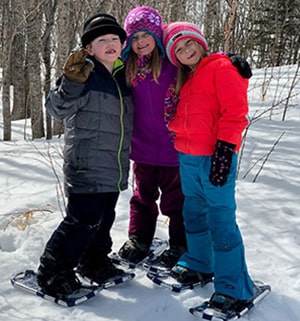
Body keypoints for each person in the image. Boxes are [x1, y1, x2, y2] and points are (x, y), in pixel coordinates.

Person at [36, 13, 134, 297]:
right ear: (89, 48)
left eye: (115, 38)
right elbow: (56, 109)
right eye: (102, 40)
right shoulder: (82, 74)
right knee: (82, 221)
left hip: (113, 166)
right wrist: (70, 81)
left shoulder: (122, 76)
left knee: (104, 218)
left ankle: (93, 261)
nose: (110, 44)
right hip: (86, 164)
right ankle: (53, 271)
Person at [162, 22, 255, 311]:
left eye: (188, 42)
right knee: (193, 211)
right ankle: (200, 262)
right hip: (188, 157)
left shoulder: (221, 67)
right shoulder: (186, 78)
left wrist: (225, 149)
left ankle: (234, 286)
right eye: (178, 48)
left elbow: (235, 111)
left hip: (215, 156)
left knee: (220, 217)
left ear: (200, 42)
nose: (185, 50)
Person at [117, 6, 187, 268]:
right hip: (143, 147)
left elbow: (202, 63)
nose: (140, 42)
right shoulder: (126, 67)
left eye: (145, 36)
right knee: (142, 198)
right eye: (134, 38)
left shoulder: (174, 64)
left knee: (176, 201)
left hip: (174, 148)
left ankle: (181, 243)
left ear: (156, 36)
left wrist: (228, 60)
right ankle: (139, 238)